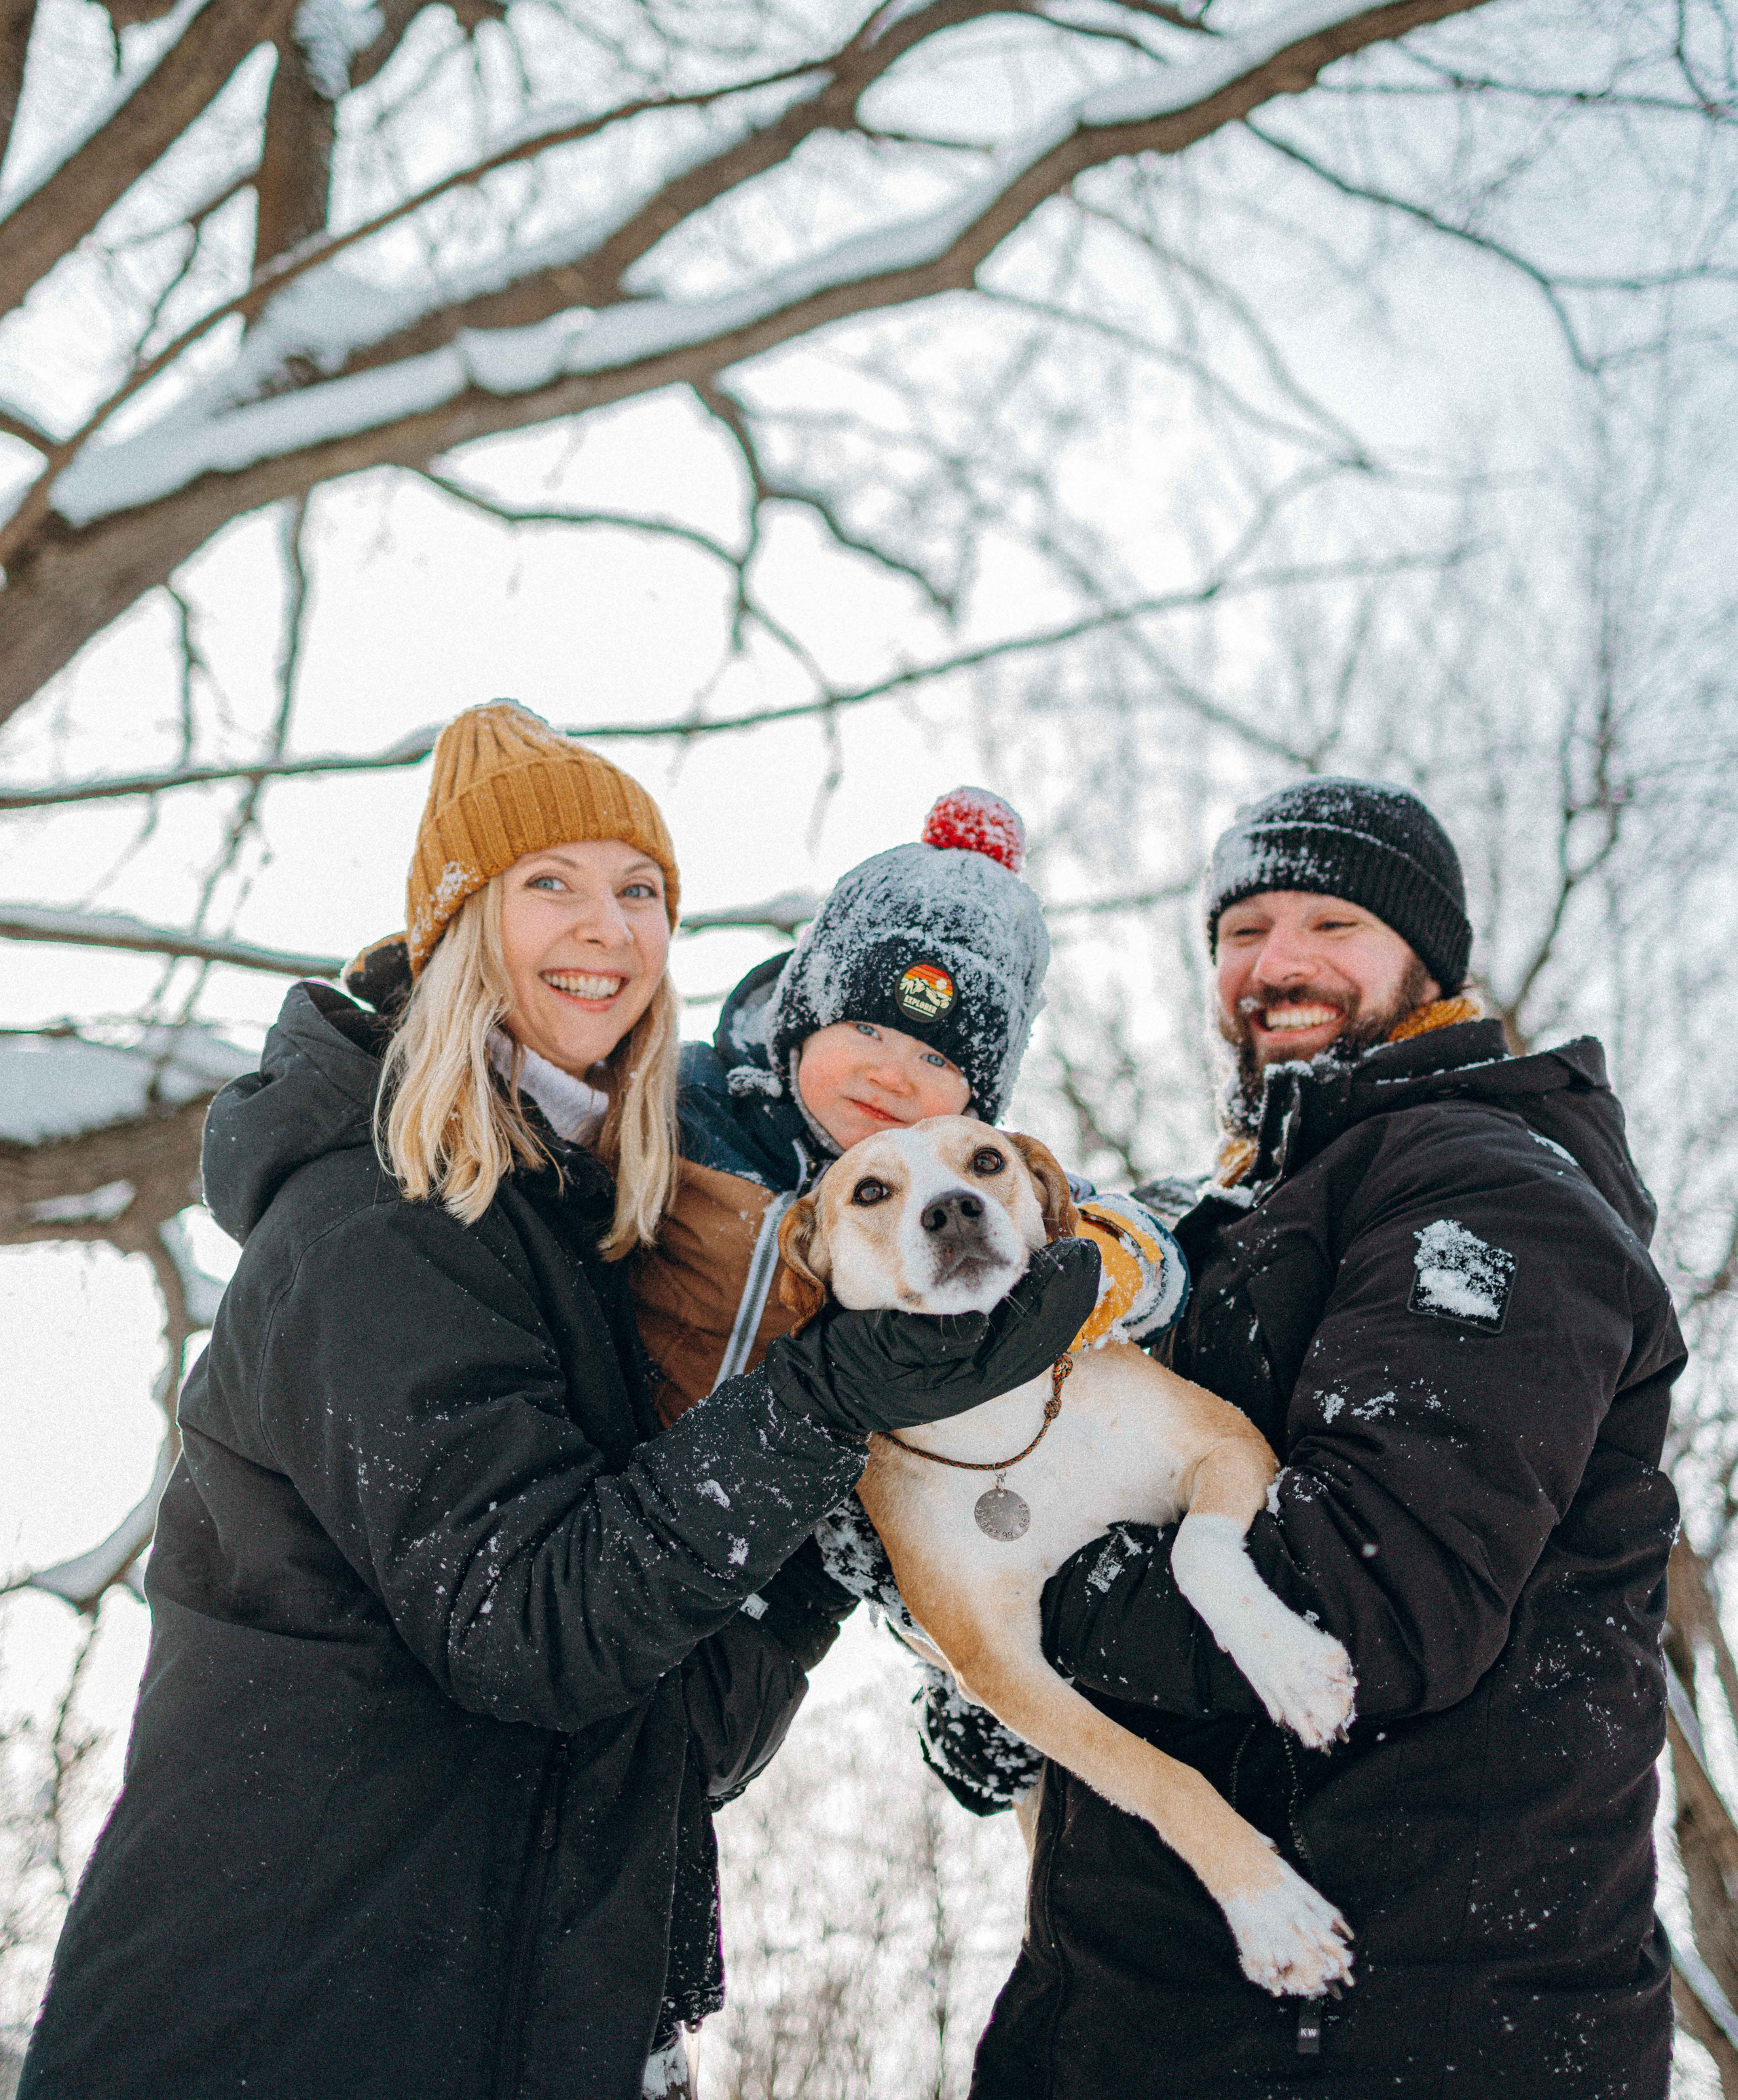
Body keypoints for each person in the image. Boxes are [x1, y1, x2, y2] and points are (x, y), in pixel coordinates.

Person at [19, 704, 1096, 2100]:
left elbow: (667, 1736)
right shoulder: (375, 1220)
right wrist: (829, 1397)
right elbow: (529, 1626)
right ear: (461, 924)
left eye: (638, 890)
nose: (606, 926)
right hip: (276, 2007)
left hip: (526, 2006)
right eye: (551, 883)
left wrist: (839, 1530)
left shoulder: (586, 1234)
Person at [973, 776, 1684, 2100]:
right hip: (1168, 2018)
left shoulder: (1482, 1187)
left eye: (1329, 923)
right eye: (1240, 930)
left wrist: (1001, 1598)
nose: (1276, 963)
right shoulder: (1247, 1217)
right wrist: (1015, 1704)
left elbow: (1361, 1601)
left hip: (1396, 2029)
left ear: (1423, 962)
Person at [629, 786, 1187, 1803]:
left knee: (657, 1809)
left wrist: (1106, 1267)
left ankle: (979, 1687)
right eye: (868, 1030)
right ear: (804, 1012)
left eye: (938, 1058)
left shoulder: (963, 1190)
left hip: (766, 1605)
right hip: (613, 1512)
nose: (893, 1075)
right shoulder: (679, 1108)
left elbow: (1144, 1237)